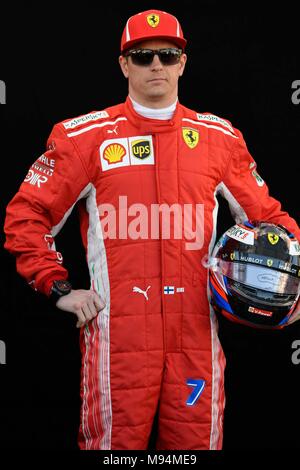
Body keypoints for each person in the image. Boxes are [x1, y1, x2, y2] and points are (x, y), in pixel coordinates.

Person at [4, 9, 300, 450]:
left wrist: (286, 288)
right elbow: (26, 214)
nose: (156, 65)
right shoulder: (85, 138)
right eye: (142, 57)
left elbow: (274, 225)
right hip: (117, 342)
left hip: (196, 338)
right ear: (124, 65)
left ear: (183, 62)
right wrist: (57, 286)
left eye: (167, 54)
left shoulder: (220, 139)